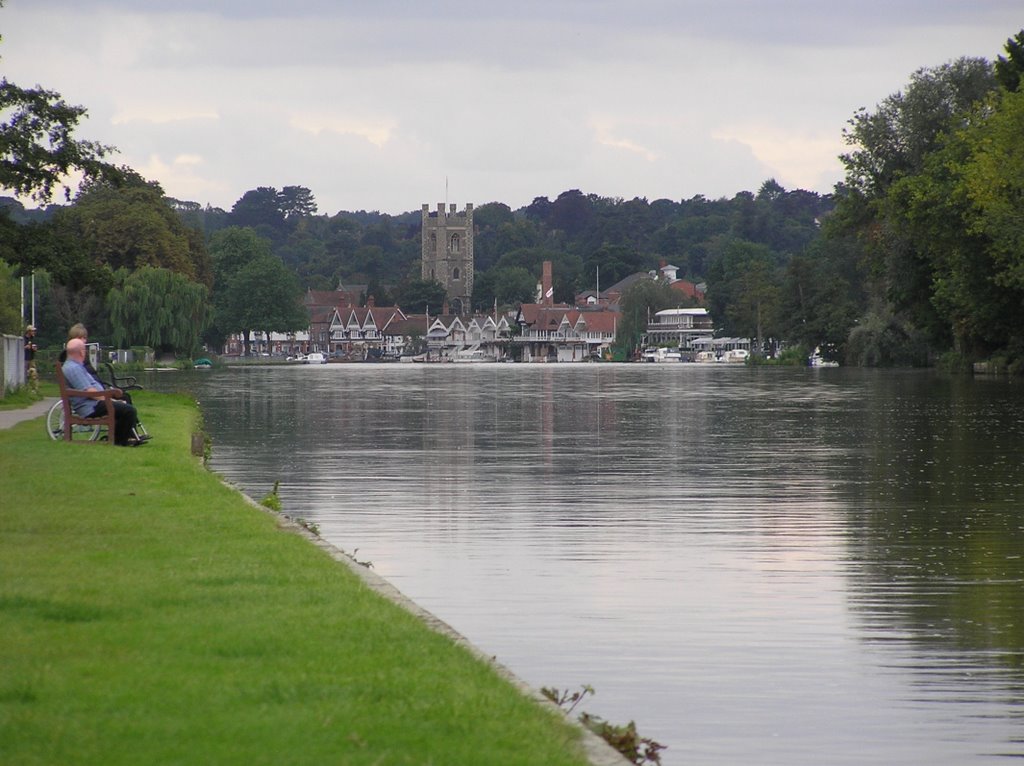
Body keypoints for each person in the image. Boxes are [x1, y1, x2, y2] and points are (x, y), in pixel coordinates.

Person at [62, 337, 146, 447]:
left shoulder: (74, 366)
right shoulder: (73, 369)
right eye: (84, 350)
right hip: (90, 407)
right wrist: (110, 400)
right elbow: (90, 392)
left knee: (125, 398)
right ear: (80, 352)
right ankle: (119, 441)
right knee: (129, 410)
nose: (85, 353)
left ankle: (130, 436)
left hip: (93, 402)